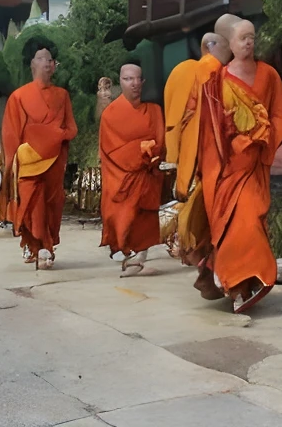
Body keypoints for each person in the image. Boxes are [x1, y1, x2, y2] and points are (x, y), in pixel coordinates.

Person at [196, 17, 282, 313]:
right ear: (228, 44)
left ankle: (246, 282)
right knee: (239, 224)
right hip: (229, 168)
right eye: (242, 38)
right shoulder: (218, 80)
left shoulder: (269, 75)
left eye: (252, 37)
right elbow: (211, 130)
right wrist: (229, 149)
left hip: (256, 161)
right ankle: (239, 285)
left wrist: (265, 138)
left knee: (252, 220)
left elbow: (278, 115)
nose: (249, 42)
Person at [164, 28, 233, 298]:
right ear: (214, 47)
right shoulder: (217, 73)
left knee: (203, 220)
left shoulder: (181, 71)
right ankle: (217, 275)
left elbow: (174, 121)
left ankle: (209, 274)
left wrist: (175, 158)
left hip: (191, 163)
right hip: (213, 160)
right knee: (217, 220)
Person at [1, 38, 78, 269]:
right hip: (29, 160)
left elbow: (71, 127)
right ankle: (41, 247)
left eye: (50, 59)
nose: (47, 63)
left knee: (52, 203)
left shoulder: (62, 95)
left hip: (54, 159)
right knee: (32, 203)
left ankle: (43, 245)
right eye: (42, 58)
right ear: (31, 63)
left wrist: (55, 135)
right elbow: (11, 133)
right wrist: (13, 161)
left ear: (55, 65)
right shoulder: (19, 96)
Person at [98, 63, 166, 274]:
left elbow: (160, 142)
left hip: (147, 174)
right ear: (121, 81)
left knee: (144, 217)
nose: (134, 84)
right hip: (121, 175)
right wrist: (140, 150)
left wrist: (150, 154)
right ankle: (126, 251)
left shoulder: (154, 111)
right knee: (121, 217)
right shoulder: (110, 114)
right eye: (128, 79)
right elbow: (112, 148)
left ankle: (139, 256)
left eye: (138, 79)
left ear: (143, 82)